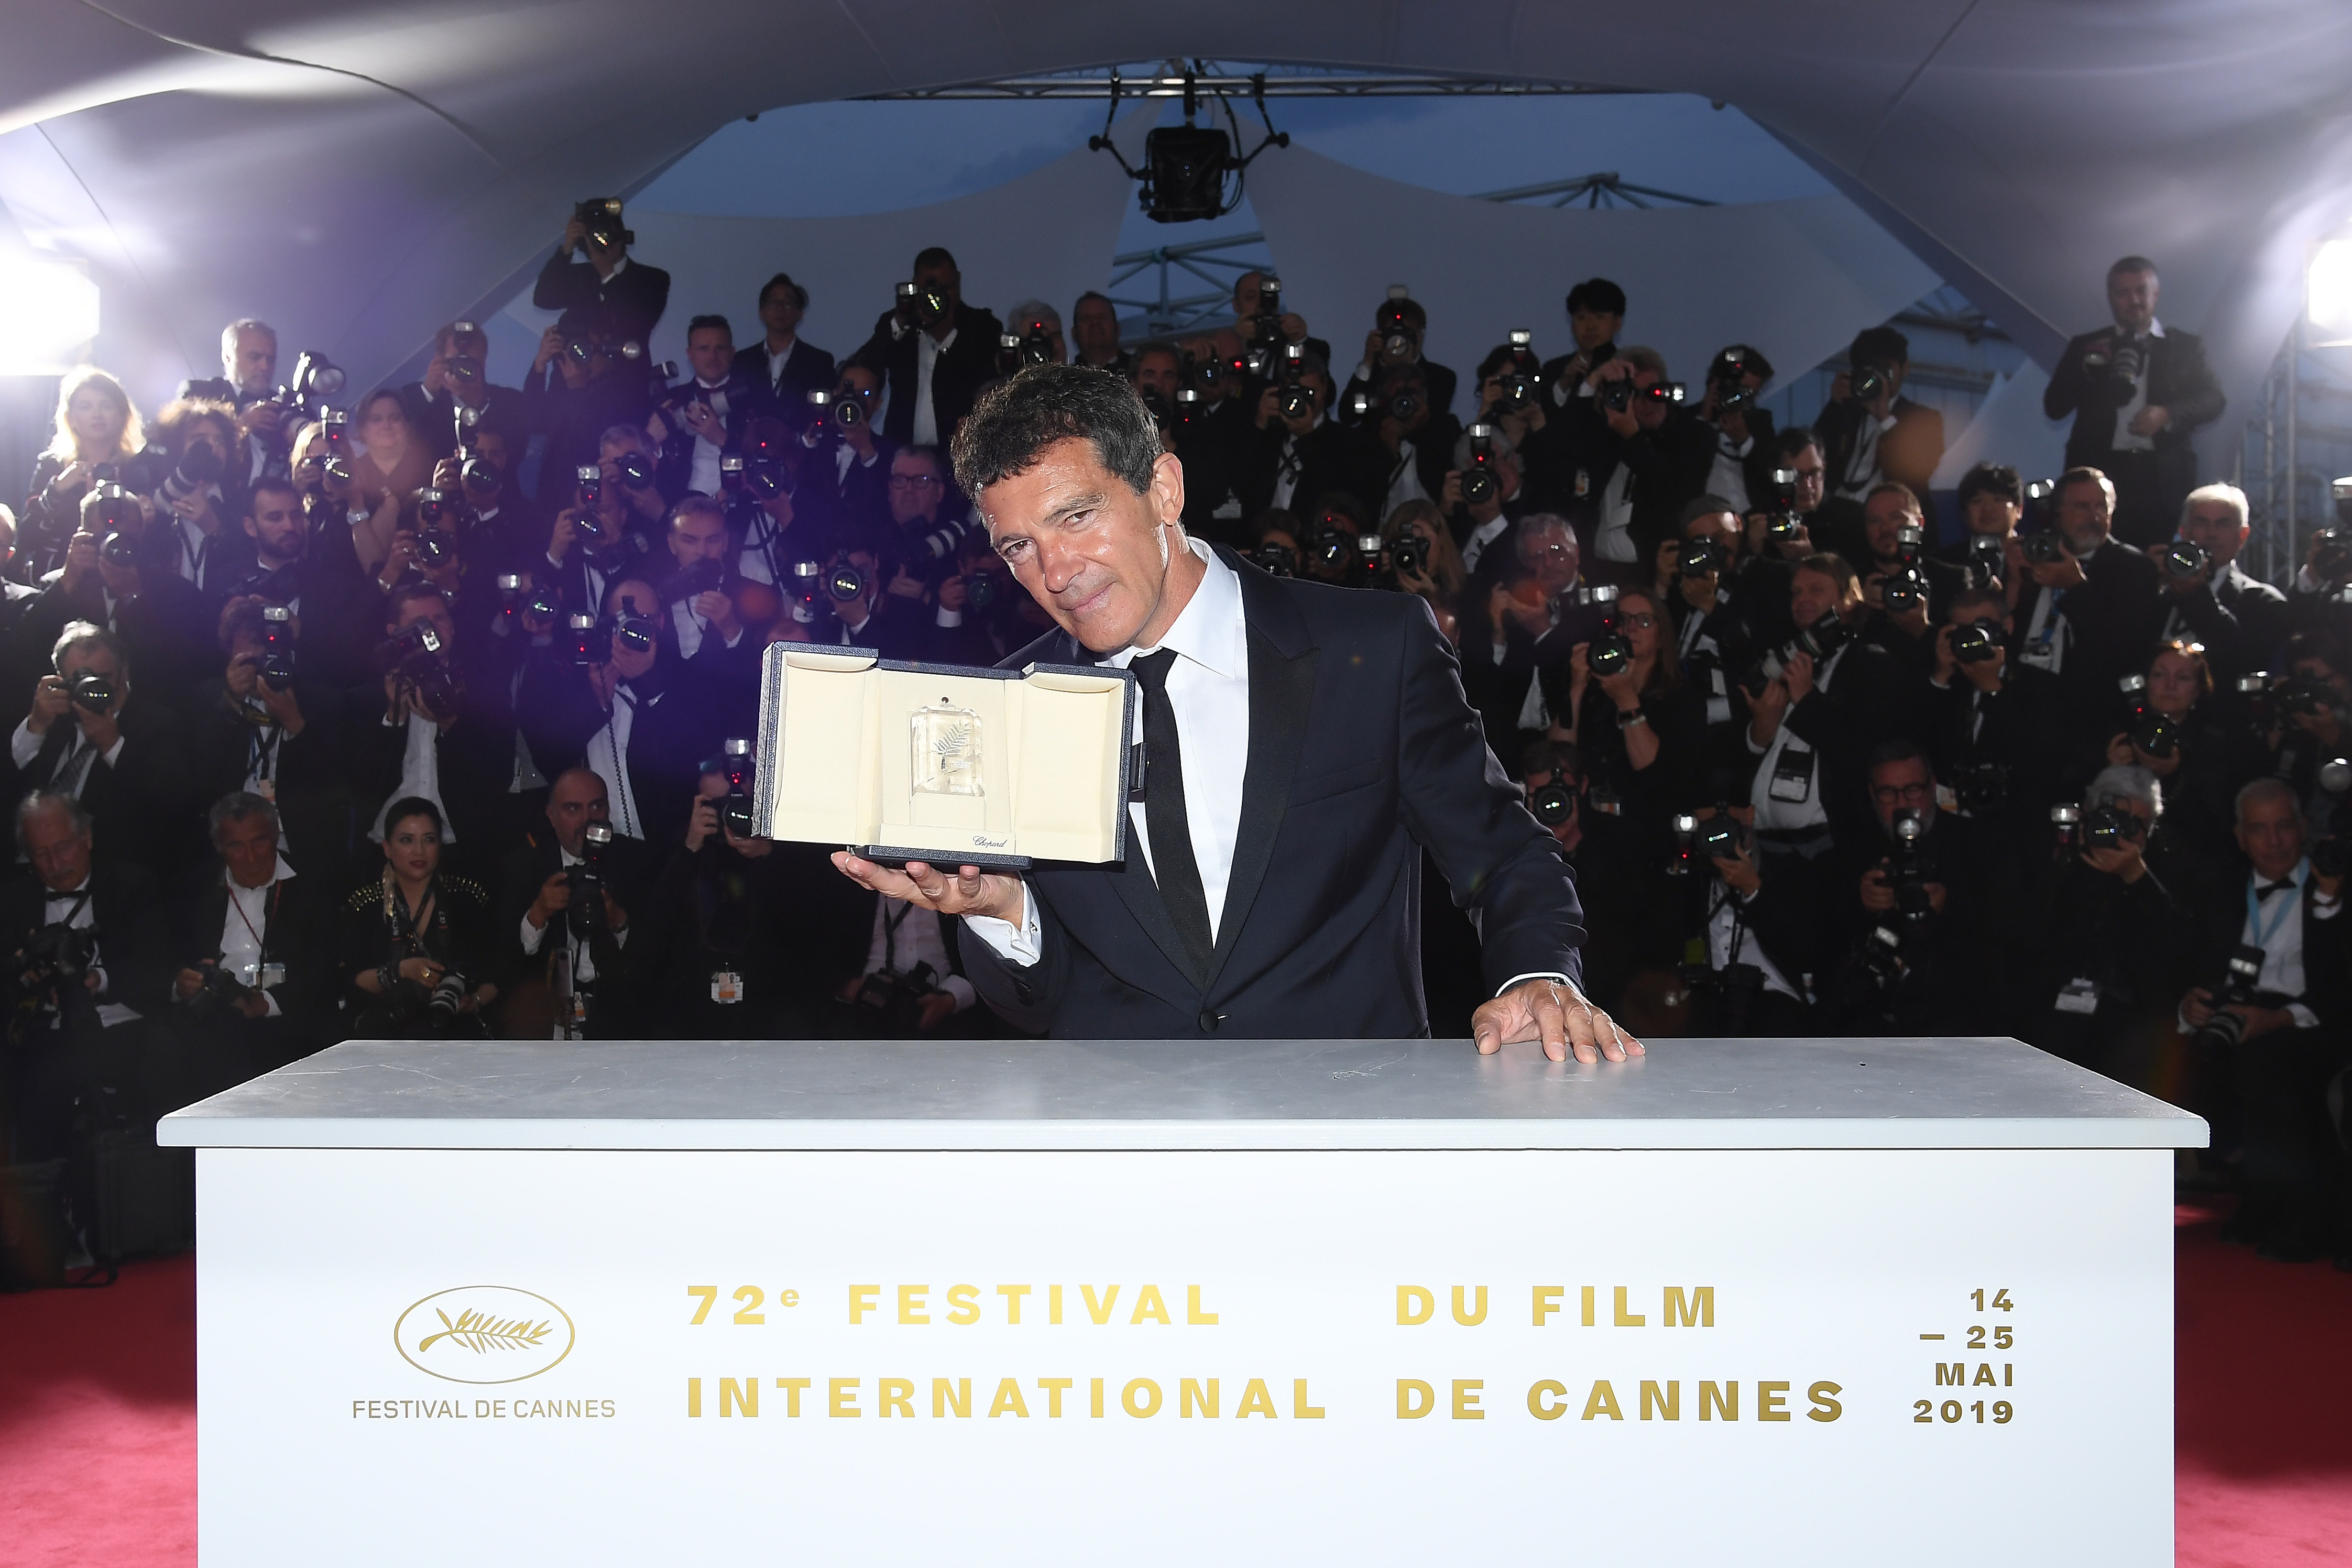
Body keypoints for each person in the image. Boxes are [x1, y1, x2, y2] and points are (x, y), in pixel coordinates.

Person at [833, 363, 1639, 1061]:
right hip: (1124, 1145)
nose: (1055, 570)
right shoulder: (1009, 708)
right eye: (1018, 547)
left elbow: (1505, 854)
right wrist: (1004, 913)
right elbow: (1035, 1005)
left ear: (1164, 489)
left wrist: (1537, 974)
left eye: (1076, 516)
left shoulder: (1371, 651)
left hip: (1345, 1128)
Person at [2178, 777, 2346, 1262]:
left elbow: (2339, 986)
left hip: (2314, 1021)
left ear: (2304, 827)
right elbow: (2188, 966)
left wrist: (2277, 1019)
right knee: (2178, 1054)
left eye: (2283, 826)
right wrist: (2189, 1006)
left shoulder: (2333, 884)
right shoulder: (2217, 889)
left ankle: (2295, 1217)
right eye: (2258, 829)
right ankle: (2258, 1199)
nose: (2273, 842)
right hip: (2234, 1015)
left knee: (2264, 1062)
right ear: (2239, 837)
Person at [0, 791, 178, 1161]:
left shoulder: (131, 884)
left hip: (125, 1025)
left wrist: (99, 979)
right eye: (41, 854)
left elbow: (156, 965)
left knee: (167, 1054)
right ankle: (38, 1185)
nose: (55, 864)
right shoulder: (13, 902)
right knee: (35, 1083)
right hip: (49, 1037)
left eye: (63, 848)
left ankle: (163, 1176)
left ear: (88, 837)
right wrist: (25, 979)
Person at [2043, 256, 2226, 546]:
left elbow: (2214, 400)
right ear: (2111, 297)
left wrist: (2167, 414)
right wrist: (2088, 370)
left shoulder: (2184, 347)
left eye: (2141, 291)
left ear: (2156, 293)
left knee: (2161, 561)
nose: (2134, 301)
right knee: (2094, 560)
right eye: (2123, 293)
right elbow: (2054, 408)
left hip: (2163, 478)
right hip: (2099, 478)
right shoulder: (2088, 347)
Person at [170, 792, 326, 1080]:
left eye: (260, 842)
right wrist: (183, 983)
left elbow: (324, 969)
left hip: (283, 1015)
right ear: (219, 846)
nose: (251, 858)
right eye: (236, 847)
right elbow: (174, 954)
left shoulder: (313, 884)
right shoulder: (196, 887)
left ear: (276, 835)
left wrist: (264, 1003)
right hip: (210, 1013)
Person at [496, 768, 647, 1040]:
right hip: (548, 1008)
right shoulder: (525, 867)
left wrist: (620, 923)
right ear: (551, 816)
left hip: (618, 1008)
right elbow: (506, 960)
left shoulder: (635, 861)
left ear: (608, 810)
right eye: (573, 809)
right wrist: (538, 914)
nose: (587, 819)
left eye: (596, 807)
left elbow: (653, 958)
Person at [336, 796, 497, 1038]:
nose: (419, 851)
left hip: (455, 1027)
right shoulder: (365, 904)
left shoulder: (468, 897)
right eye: (406, 840)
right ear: (387, 848)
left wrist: (474, 1001)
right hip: (384, 1030)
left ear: (440, 845)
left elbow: (497, 973)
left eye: (429, 840)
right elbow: (351, 980)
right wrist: (402, 971)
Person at [1812, 326, 1943, 561]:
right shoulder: (1845, 410)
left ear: (1905, 367)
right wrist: (1834, 405)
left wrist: (1885, 418)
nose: (1877, 378)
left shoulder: (1924, 419)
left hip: (1890, 526)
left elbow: (1916, 474)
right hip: (1838, 519)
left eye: (1886, 369)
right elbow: (1814, 456)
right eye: (1869, 370)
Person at [859, 246, 1004, 450]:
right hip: (903, 449)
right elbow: (868, 361)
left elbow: (983, 377)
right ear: (915, 285)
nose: (937, 298)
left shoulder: (982, 326)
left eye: (946, 288)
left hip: (957, 449)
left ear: (958, 280)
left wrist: (945, 335)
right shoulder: (898, 324)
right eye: (929, 290)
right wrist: (902, 321)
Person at [2155, 481, 2289, 683]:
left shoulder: (2264, 601)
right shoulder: (2158, 590)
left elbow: (2241, 659)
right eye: (2202, 524)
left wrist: (2195, 594)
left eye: (2223, 524)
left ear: (2243, 536)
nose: (2212, 534)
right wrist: (2145, 583)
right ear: (2184, 533)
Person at [20, 367, 144, 574]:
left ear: (122, 415)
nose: (97, 415)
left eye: (106, 406)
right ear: (71, 419)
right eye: (86, 407)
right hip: (61, 579)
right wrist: (56, 491)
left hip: (124, 574)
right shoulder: (53, 466)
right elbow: (26, 539)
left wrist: (142, 517)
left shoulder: (140, 467)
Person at [532, 200, 671, 347]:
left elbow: (634, 326)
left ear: (620, 237)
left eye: (605, 234)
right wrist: (568, 247)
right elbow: (543, 298)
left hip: (625, 361)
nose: (600, 240)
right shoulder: (581, 276)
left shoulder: (654, 279)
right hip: (577, 360)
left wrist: (607, 271)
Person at [741, 272, 837, 416]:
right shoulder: (743, 361)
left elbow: (825, 414)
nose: (780, 309)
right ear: (761, 312)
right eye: (773, 303)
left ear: (800, 313)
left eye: (788, 303)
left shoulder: (819, 362)